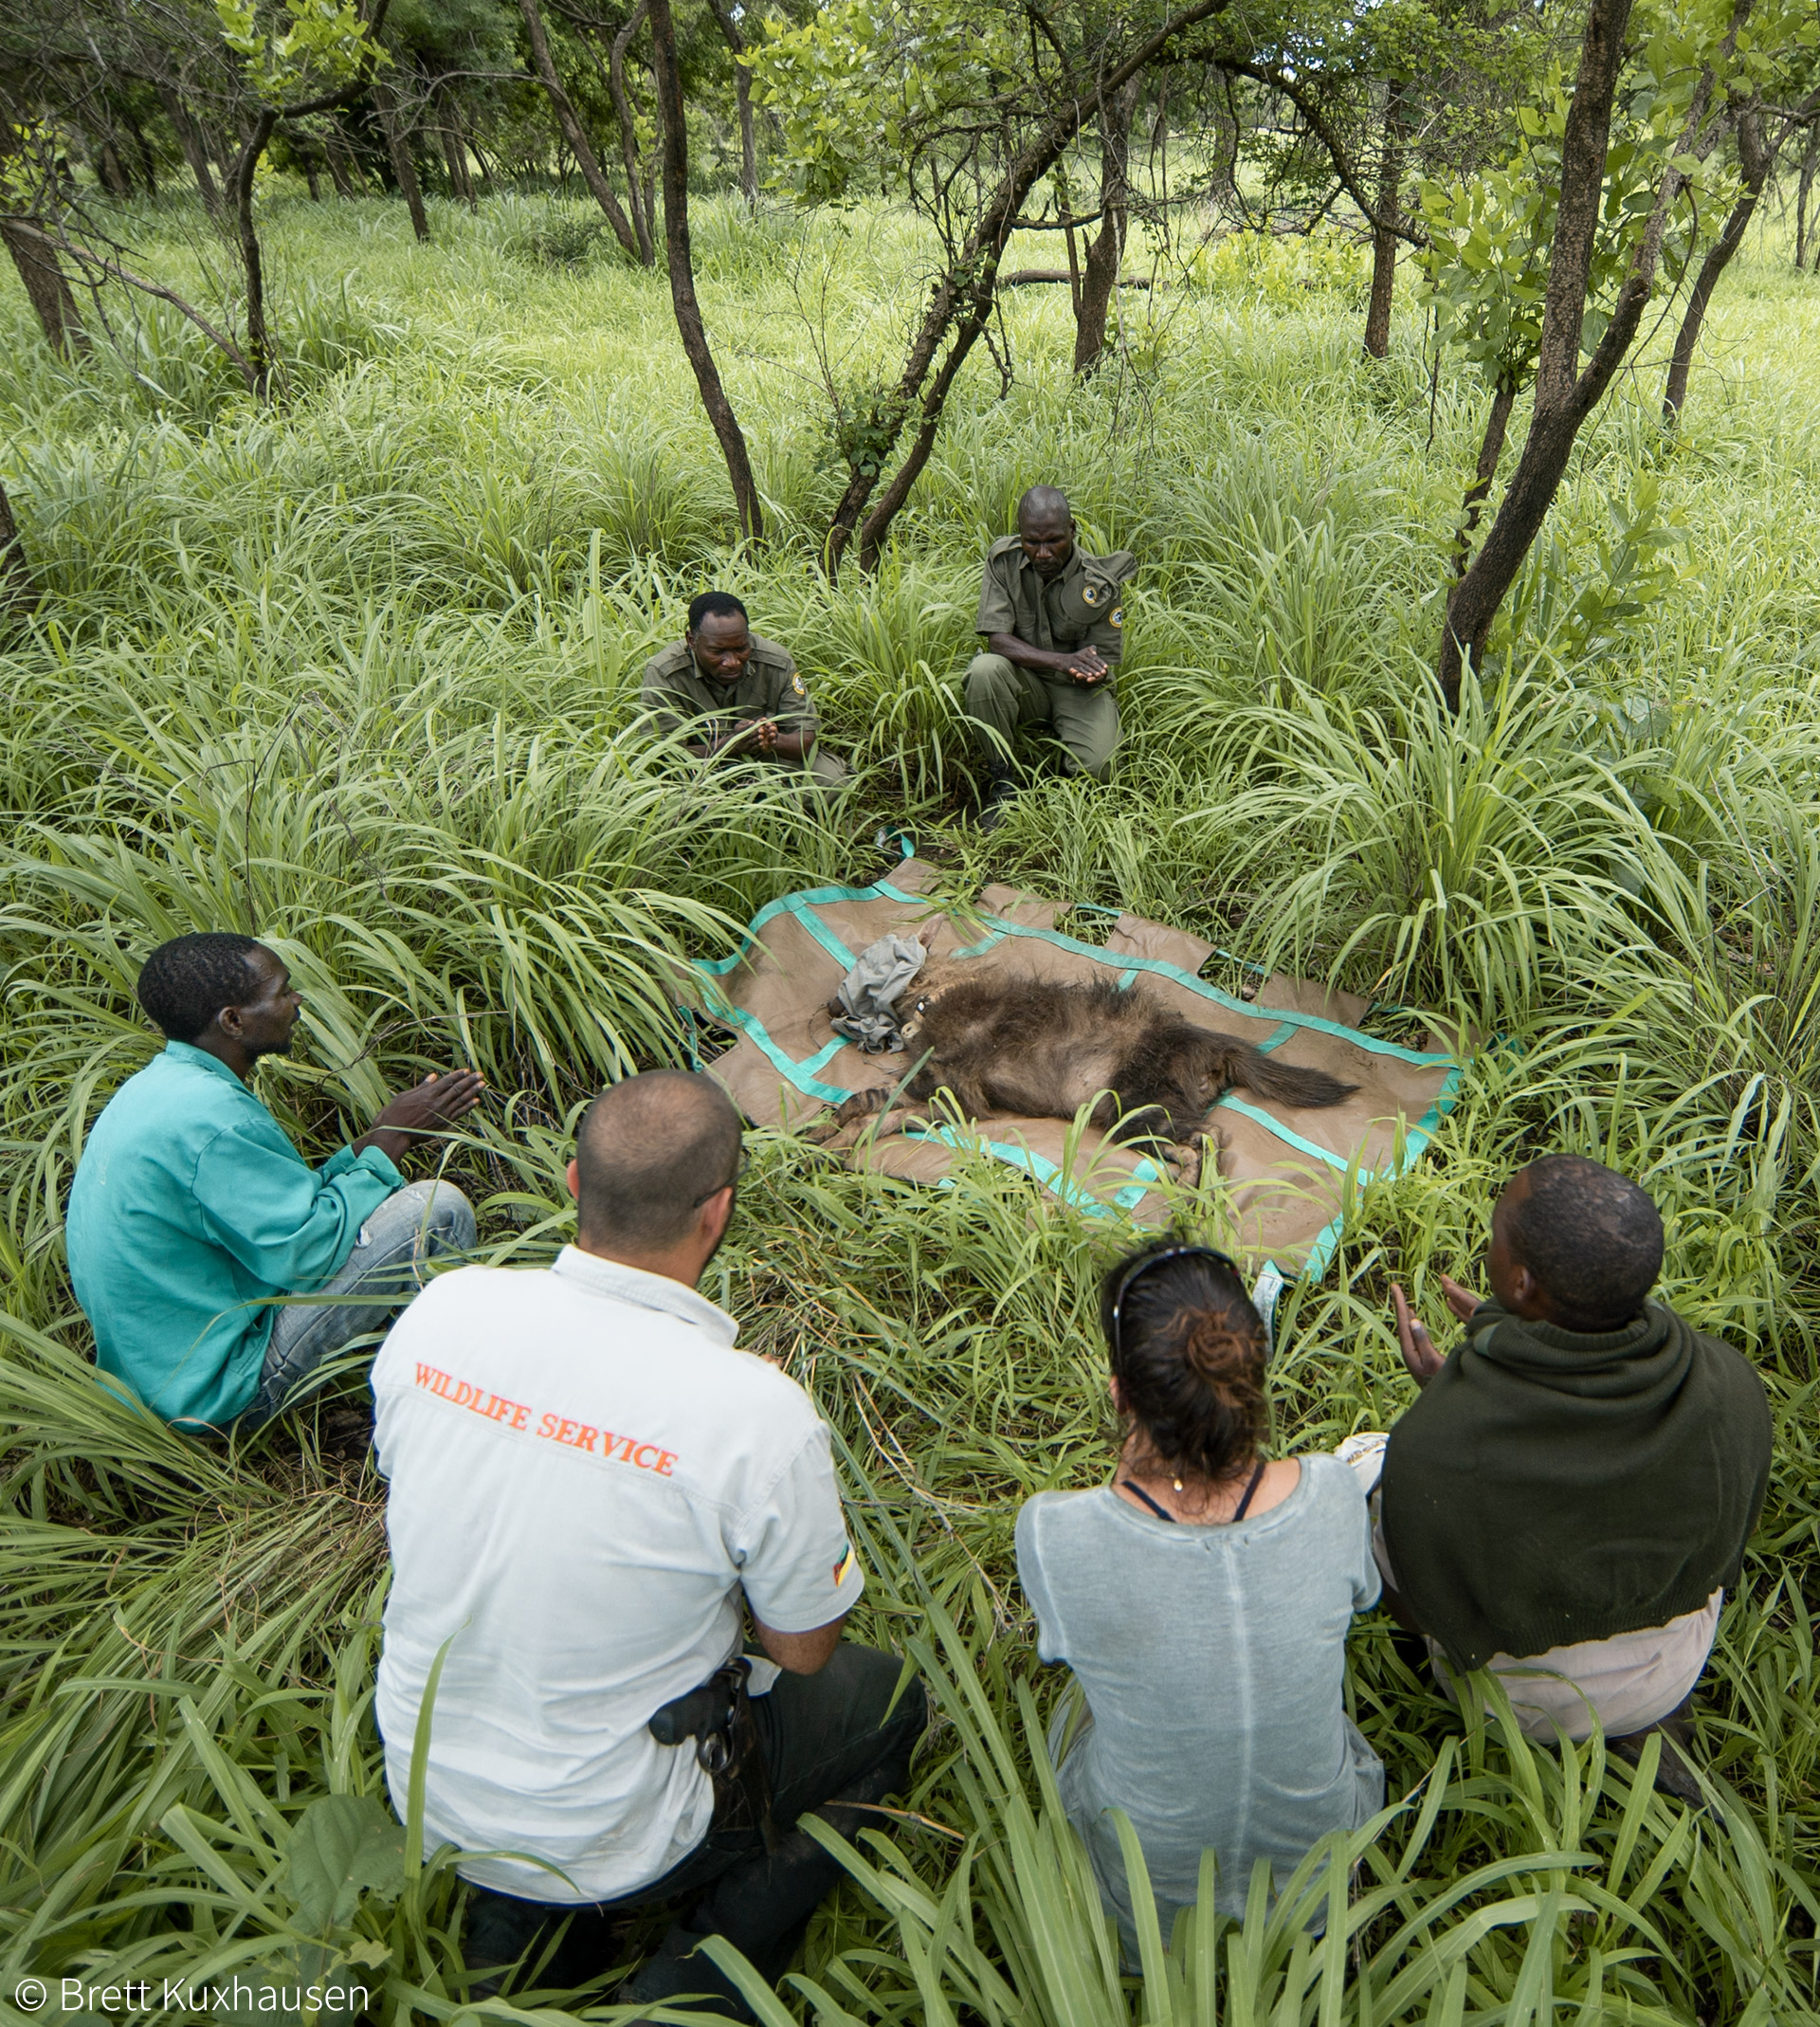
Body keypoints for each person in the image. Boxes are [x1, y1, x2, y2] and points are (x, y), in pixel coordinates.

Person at [370, 1070, 926, 2017]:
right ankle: (699, 1980)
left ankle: (517, 1930)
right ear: (718, 1213)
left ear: (576, 1186)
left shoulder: (443, 1311)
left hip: (430, 1787)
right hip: (624, 1821)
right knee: (889, 1701)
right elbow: (801, 1648)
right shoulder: (755, 1411)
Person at [1015, 1240, 1382, 1952]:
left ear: (1120, 1393)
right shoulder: (1335, 1492)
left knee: (1074, 1705)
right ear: (1256, 1371)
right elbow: (1361, 1595)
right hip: (1317, 1874)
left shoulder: (1058, 1531)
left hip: (1149, 1902)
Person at [1378, 1154, 1772, 1796]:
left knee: (1359, 1474)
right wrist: (1500, 1341)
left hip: (1522, 1703)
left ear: (1524, 1283)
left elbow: (1428, 1609)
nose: (1488, 1237)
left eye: (1498, 1229)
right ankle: (1647, 1726)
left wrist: (1448, 1390)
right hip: (1672, 1661)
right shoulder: (1728, 1384)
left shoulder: (1437, 1441)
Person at [64, 933, 481, 1435]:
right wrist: (393, 1137)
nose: (297, 1000)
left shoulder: (161, 1087)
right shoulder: (217, 1121)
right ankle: (448, 1414)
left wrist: (374, 1141)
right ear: (233, 1021)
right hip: (216, 1395)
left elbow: (289, 1210)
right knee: (438, 1209)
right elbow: (309, 1250)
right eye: (283, 991)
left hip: (154, 1379)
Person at [965, 485, 1137, 828]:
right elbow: (997, 640)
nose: (1042, 553)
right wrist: (1060, 660)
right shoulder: (1004, 561)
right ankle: (1002, 781)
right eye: (1032, 542)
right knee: (984, 670)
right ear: (1020, 535)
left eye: (1053, 541)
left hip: (1078, 689)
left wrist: (1092, 671)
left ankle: (1064, 766)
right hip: (1025, 679)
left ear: (1072, 530)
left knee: (1100, 768)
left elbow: (1101, 659)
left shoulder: (1097, 582)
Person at [643, 592, 847, 789]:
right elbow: (667, 755)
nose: (732, 662)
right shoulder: (665, 673)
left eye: (741, 649)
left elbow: (805, 740)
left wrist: (772, 740)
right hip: (704, 766)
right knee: (676, 799)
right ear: (692, 641)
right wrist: (732, 744)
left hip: (768, 760)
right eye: (717, 652)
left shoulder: (776, 661)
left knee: (834, 781)